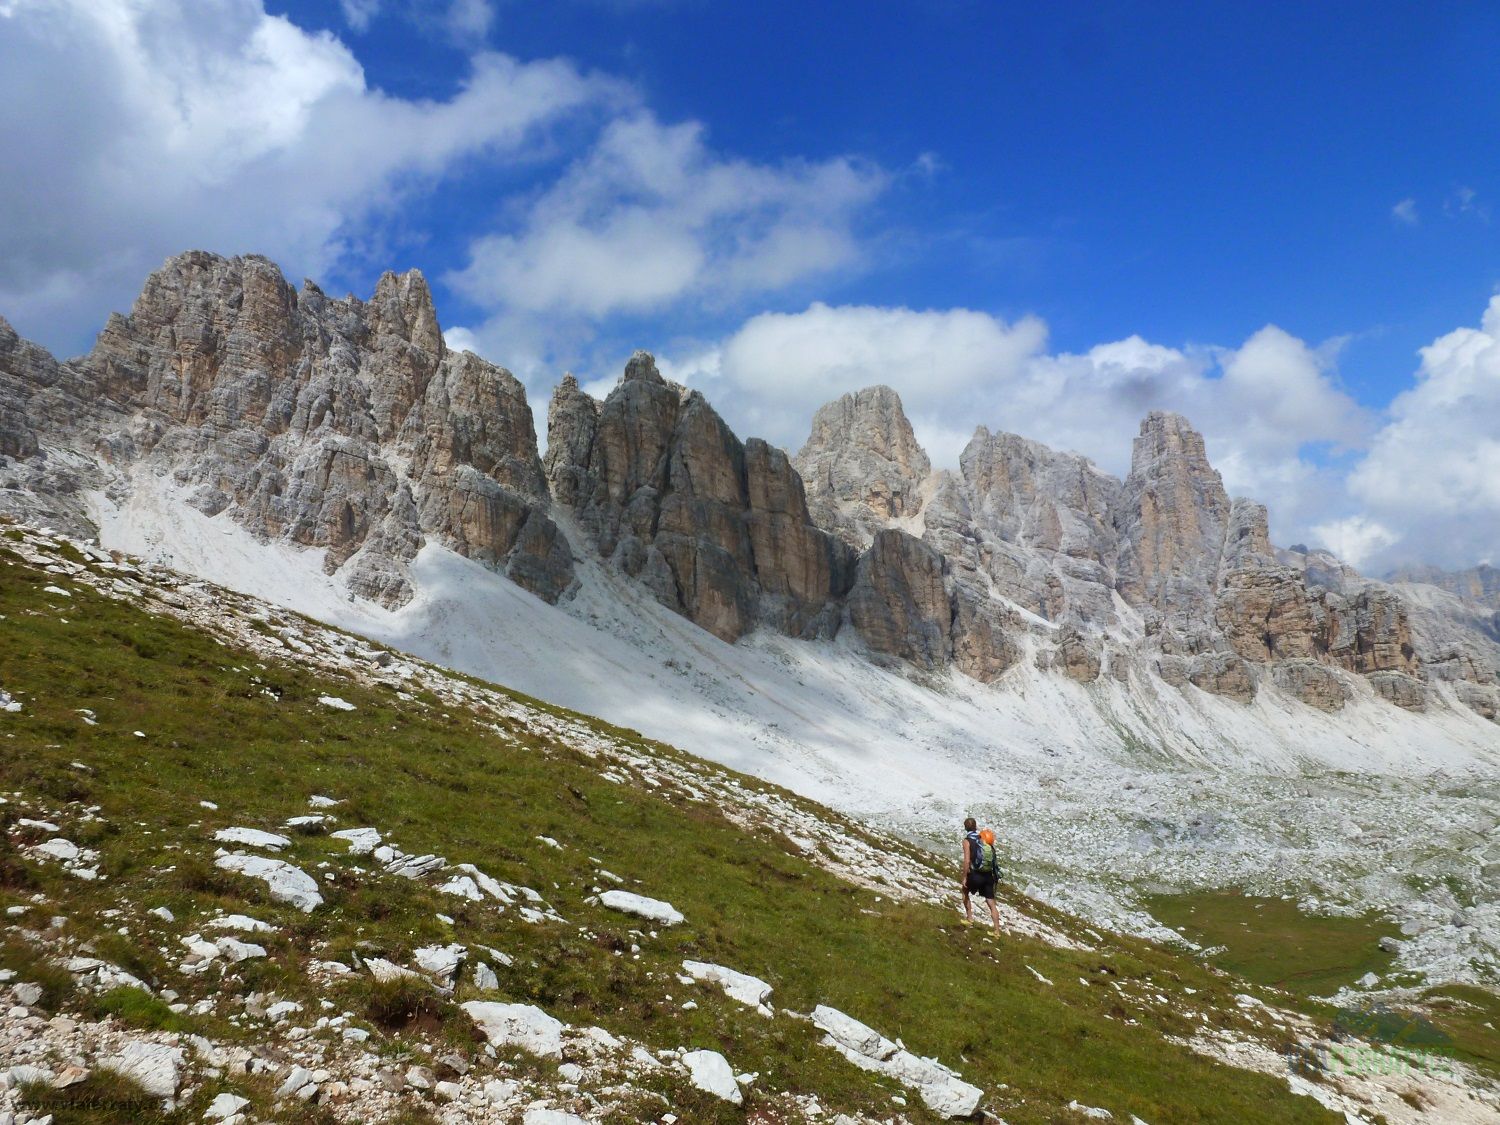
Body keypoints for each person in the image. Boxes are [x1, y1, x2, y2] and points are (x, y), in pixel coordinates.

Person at [960, 816, 1001, 935]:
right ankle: (997, 931)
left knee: (965, 891)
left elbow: (967, 861)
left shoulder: (967, 841)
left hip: (976, 875)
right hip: (988, 876)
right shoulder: (983, 838)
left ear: (965, 828)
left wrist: (964, 877)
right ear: (975, 826)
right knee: (991, 903)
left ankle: (969, 918)